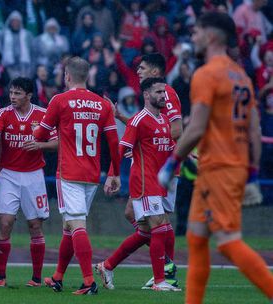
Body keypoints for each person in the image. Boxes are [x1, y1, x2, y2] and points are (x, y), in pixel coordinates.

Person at [158, 12, 273, 303]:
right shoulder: (242, 77)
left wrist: (172, 163)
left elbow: (195, 127)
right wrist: (253, 174)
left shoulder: (207, 74)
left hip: (218, 168)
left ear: (210, 36)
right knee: (196, 238)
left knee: (227, 242)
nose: (192, 38)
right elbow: (254, 128)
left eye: (196, 32)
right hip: (227, 167)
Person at [34, 57, 121, 295]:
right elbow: (114, 142)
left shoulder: (59, 100)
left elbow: (41, 134)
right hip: (92, 174)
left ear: (67, 76)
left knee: (77, 225)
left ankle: (88, 281)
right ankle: (58, 276)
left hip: (69, 172)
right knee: (69, 226)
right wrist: (114, 172)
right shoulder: (102, 104)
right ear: (87, 76)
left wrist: (36, 130)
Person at [0, 77, 57, 287]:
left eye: (17, 93)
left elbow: (59, 142)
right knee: (5, 223)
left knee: (35, 226)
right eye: (11, 93)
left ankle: (35, 278)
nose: (12, 97)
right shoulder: (3, 114)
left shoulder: (42, 115)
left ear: (29, 95)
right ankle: (1, 277)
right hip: (8, 175)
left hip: (34, 175)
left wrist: (40, 146)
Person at [95, 77, 180, 292]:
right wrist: (113, 175)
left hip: (158, 183)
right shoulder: (138, 120)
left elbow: (169, 148)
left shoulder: (163, 119)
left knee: (145, 233)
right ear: (146, 95)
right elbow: (121, 149)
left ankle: (107, 266)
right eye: (158, 92)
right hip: (143, 182)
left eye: (164, 92)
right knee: (160, 229)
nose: (163, 96)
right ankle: (160, 281)